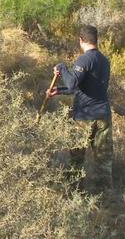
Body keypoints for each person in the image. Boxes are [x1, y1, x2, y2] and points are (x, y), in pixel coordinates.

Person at [47, 25, 113, 201]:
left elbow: (72, 84)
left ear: (81, 40)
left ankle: (74, 195)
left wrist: (61, 68)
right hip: (103, 115)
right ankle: (104, 199)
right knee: (103, 159)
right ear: (96, 39)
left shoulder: (84, 60)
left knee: (76, 157)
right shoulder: (104, 61)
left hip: (85, 116)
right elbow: (86, 87)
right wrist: (59, 91)